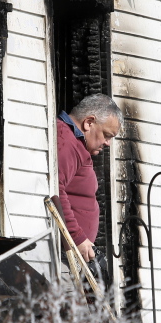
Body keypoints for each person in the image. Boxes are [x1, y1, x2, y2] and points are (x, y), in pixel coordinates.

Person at [56, 93, 122, 263]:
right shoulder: (67, 140)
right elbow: (56, 189)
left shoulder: (75, 143)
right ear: (89, 122)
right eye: (107, 135)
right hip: (66, 254)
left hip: (72, 252)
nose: (108, 143)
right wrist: (76, 237)